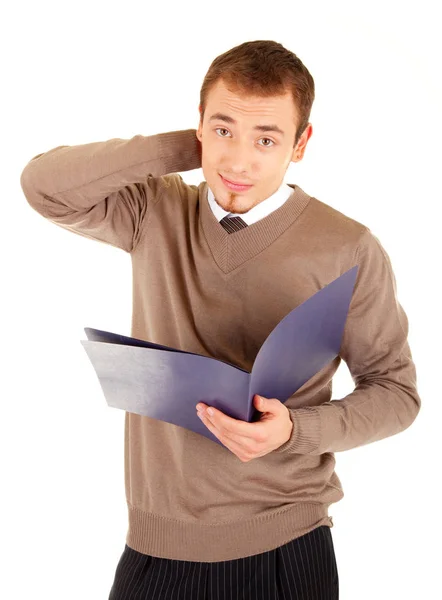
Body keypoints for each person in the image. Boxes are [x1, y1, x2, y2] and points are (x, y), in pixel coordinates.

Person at [19, 40, 421, 599]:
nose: (239, 161)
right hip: (156, 545)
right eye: (224, 128)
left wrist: (296, 431)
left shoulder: (348, 247)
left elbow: (397, 392)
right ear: (200, 125)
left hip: (287, 541)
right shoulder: (153, 211)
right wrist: (188, 148)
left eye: (266, 139)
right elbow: (43, 187)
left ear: (301, 144)